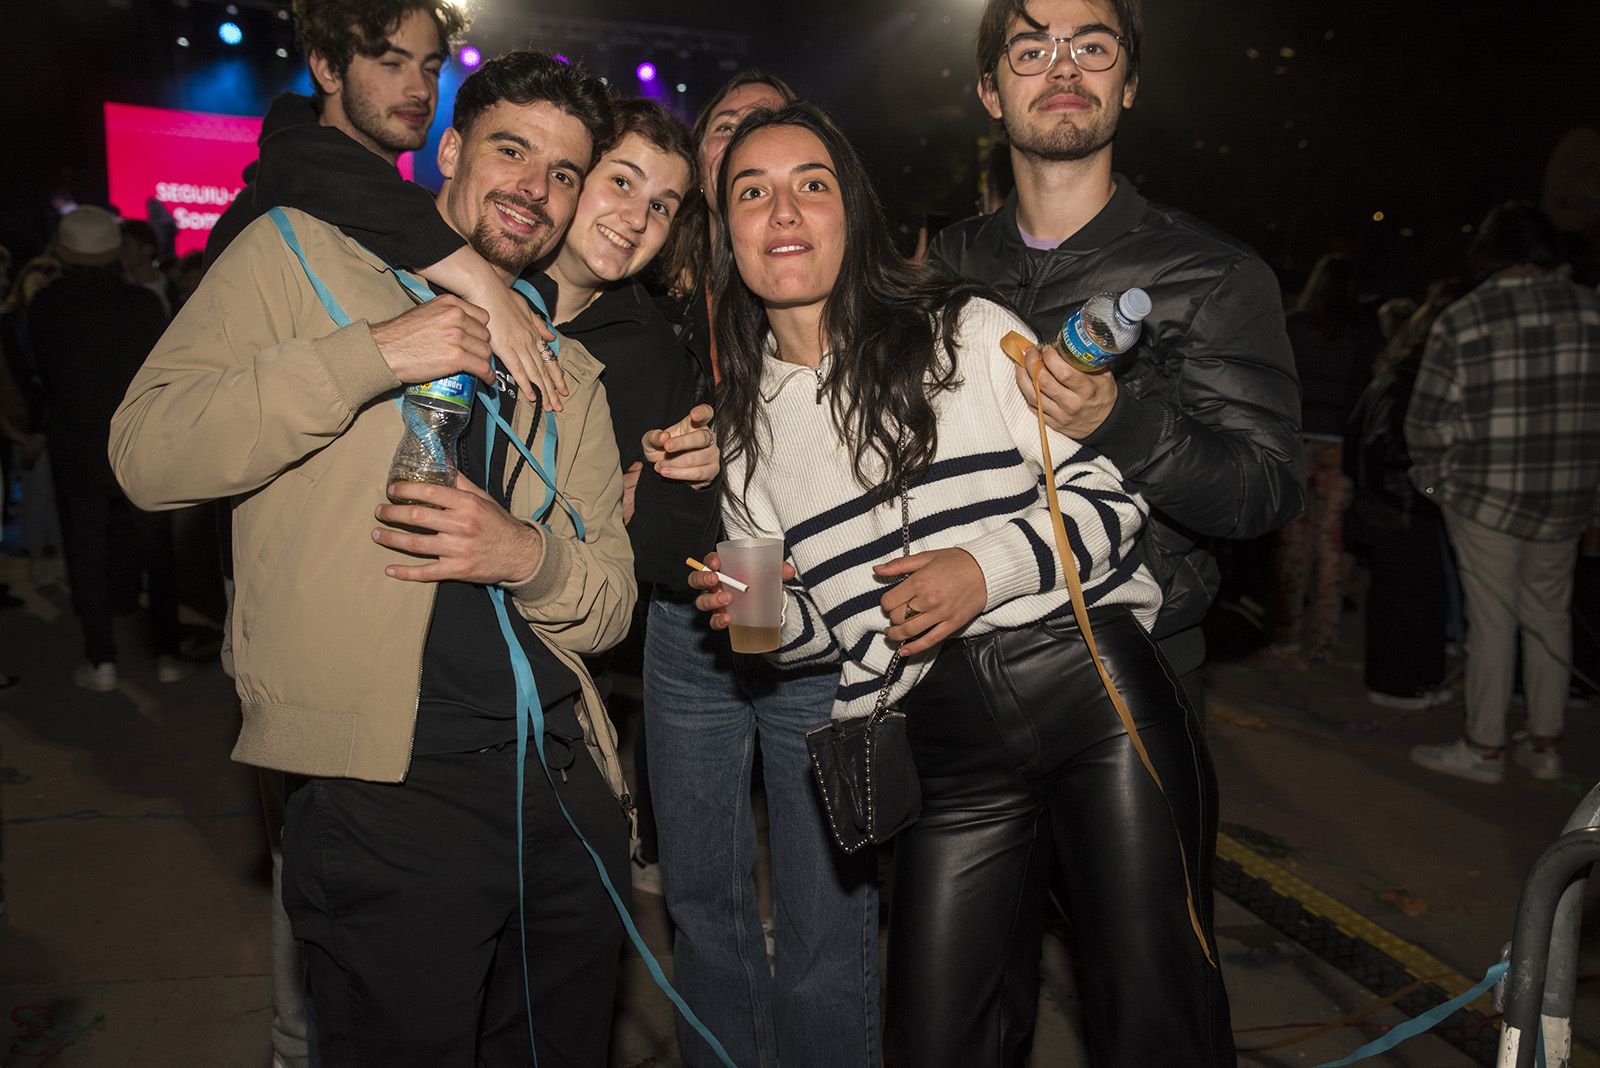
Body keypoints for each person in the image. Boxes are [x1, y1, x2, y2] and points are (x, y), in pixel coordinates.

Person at [111, 51, 637, 1064]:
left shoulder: (566, 368)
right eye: (511, 151)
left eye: (564, 173)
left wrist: (524, 554)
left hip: (562, 794)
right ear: (448, 150)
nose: (534, 187)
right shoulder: (298, 257)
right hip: (387, 799)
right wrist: (378, 354)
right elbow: (147, 455)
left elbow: (608, 607)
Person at [691, 100, 1233, 1068]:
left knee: (1153, 1012)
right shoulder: (735, 435)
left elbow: (1116, 502)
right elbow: (785, 637)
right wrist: (749, 619)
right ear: (724, 233)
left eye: (811, 184)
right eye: (752, 190)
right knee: (936, 1038)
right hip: (936, 747)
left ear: (851, 213)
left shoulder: (964, 326)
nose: (784, 210)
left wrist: (983, 570)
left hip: (1089, 695)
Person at [928, 0, 1303, 709]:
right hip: (955, 661)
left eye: (1094, 47)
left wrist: (1120, 423)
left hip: (1130, 668)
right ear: (989, 91)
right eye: (1032, 50)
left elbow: (1266, 491)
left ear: (1128, 83)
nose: (1064, 66)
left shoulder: (1212, 273)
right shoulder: (950, 260)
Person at [653, 71, 886, 1068]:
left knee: (828, 893)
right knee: (702, 895)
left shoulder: (818, 281)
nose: (753, 154)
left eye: (778, 140)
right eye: (730, 136)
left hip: (811, 613)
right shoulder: (644, 287)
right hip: (684, 624)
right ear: (705, 165)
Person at [544, 97, 713, 895]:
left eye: (661, 205)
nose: (634, 216)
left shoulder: (649, 348)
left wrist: (694, 477)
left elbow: (680, 542)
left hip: (569, 676)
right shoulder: (466, 281)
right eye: (621, 181)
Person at [1407, 203, 1600, 784]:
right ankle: (1544, 744)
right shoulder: (1592, 312)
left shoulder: (1466, 317)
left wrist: (1433, 475)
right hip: (1566, 495)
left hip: (1485, 495)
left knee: (1493, 620)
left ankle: (1485, 746)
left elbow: (1426, 418)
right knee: (1549, 612)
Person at [23, 206, 185, 691]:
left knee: (86, 551)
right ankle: (168, 654)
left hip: (76, 444)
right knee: (157, 552)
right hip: (139, 441)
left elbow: (38, 374)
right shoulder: (144, 305)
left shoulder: (45, 306)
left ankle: (102, 661)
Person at [1344, 279, 1466, 708]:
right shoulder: (1404, 384)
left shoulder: (1398, 377)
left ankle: (1407, 680)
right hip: (1398, 509)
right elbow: (1386, 448)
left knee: (1408, 596)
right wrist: (1428, 484)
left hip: (1395, 507)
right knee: (1408, 599)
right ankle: (1400, 685)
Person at [1267, 253, 1382, 660]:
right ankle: (1326, 636)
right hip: (1339, 446)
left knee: (1292, 541)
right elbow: (1368, 393)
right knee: (1331, 542)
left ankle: (1287, 633)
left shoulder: (1294, 326)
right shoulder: (1366, 332)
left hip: (1296, 442)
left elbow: (1276, 382)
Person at [120, 219, 172, 318]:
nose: (121, 251)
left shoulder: (173, 289)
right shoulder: (117, 288)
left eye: (126, 245)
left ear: (147, 249)